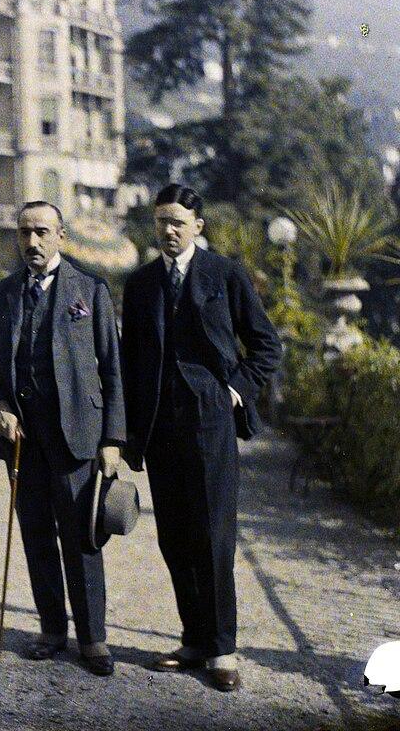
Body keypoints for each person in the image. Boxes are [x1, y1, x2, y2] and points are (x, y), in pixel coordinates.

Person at [121, 184, 282, 692]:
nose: (168, 230)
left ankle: (222, 648)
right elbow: (131, 361)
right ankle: (192, 639)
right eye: (161, 221)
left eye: (177, 221)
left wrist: (234, 390)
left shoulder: (225, 274)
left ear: (198, 226)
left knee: (214, 536)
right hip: (159, 425)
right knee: (174, 536)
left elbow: (266, 346)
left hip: (210, 422)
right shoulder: (142, 283)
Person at [0, 201, 125, 676]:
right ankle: (52, 629)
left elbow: (112, 368)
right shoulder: (2, 295)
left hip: (75, 435)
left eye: (41, 232)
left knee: (81, 537)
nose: (32, 242)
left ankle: (93, 638)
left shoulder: (90, 291)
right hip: (23, 438)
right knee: (36, 533)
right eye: (24, 233)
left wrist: (112, 440)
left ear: (61, 235)